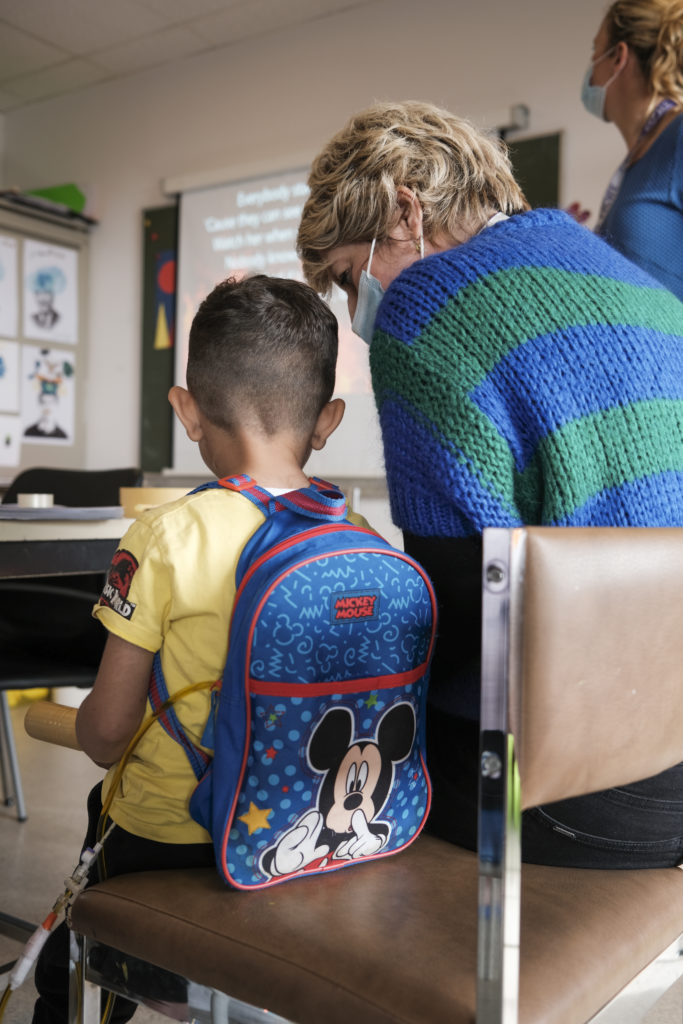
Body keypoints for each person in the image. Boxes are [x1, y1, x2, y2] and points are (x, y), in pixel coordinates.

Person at [296, 99, 683, 870]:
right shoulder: (648, 295)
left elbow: (462, 611)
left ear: (404, 210)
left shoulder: (425, 308)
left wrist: (358, 566)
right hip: (669, 767)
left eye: (348, 275)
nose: (354, 308)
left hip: (555, 792)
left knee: (303, 765)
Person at [32, 273, 360, 1024]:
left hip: (167, 836)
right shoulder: (355, 537)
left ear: (185, 410)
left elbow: (108, 735)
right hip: (300, 835)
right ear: (327, 420)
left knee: (67, 966)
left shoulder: (164, 536)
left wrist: (74, 725)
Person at [581, 0, 683, 299]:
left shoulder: (678, 137)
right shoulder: (635, 163)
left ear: (618, 57)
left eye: (595, 51)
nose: (590, 70)